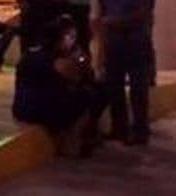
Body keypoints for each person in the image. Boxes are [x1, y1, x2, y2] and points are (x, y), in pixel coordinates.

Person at [12, 16, 107, 157]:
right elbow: (79, 78)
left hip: (23, 107)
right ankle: (73, 140)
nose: (72, 41)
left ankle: (83, 134)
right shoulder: (56, 59)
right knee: (91, 94)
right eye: (69, 36)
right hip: (40, 108)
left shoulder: (32, 52)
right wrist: (80, 61)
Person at [99, 0, 155, 146]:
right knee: (114, 86)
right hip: (113, 41)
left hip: (135, 41)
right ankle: (118, 128)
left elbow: (143, 13)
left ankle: (140, 130)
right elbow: (103, 6)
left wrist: (117, 21)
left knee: (138, 89)